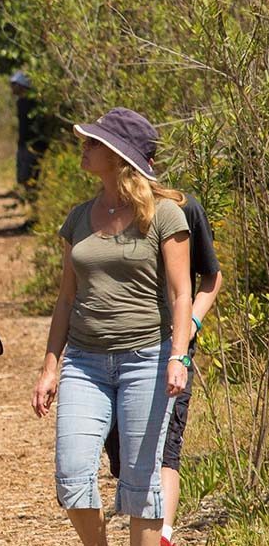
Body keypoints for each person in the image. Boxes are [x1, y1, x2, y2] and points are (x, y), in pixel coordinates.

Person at [31, 107, 192, 546]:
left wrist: (177, 356)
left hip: (148, 359)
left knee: (141, 487)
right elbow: (67, 298)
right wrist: (50, 367)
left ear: (120, 155)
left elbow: (182, 294)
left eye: (94, 142)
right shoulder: (79, 216)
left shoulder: (165, 215)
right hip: (85, 362)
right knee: (72, 477)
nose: (83, 145)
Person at [104, 193, 222, 546]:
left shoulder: (184, 208)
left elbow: (211, 278)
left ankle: (163, 537)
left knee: (165, 449)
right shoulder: (105, 209)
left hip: (169, 351)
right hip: (113, 352)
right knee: (124, 457)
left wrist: (191, 327)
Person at [10, 70, 47, 187]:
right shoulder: (20, 102)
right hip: (24, 144)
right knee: (23, 176)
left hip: (34, 144)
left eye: (14, 85)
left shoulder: (33, 103)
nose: (12, 88)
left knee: (31, 174)